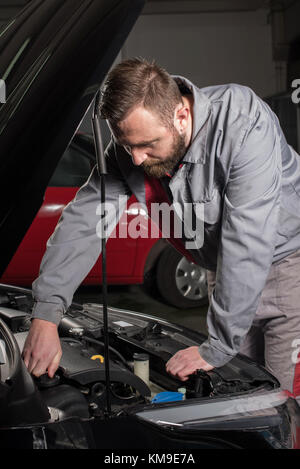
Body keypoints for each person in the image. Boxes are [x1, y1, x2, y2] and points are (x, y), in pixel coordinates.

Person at [22, 57, 300, 396]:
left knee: (284, 401)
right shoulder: (130, 150)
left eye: (146, 145)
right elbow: (85, 219)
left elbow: (248, 239)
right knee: (238, 396)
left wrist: (217, 346)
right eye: (127, 145)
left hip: (289, 270)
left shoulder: (242, 124)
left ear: (181, 116)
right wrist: (47, 315)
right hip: (225, 270)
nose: (135, 159)